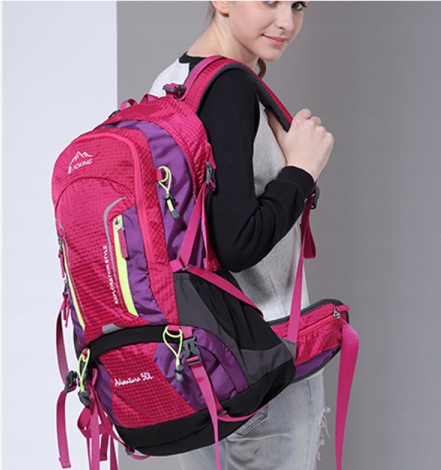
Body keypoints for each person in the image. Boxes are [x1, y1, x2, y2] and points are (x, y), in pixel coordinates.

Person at [149, 2, 334, 469]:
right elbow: (237, 242)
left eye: (297, 5)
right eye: (270, 1)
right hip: (266, 358)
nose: (286, 21)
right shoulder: (229, 87)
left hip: (194, 361)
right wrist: (301, 171)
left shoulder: (170, 82)